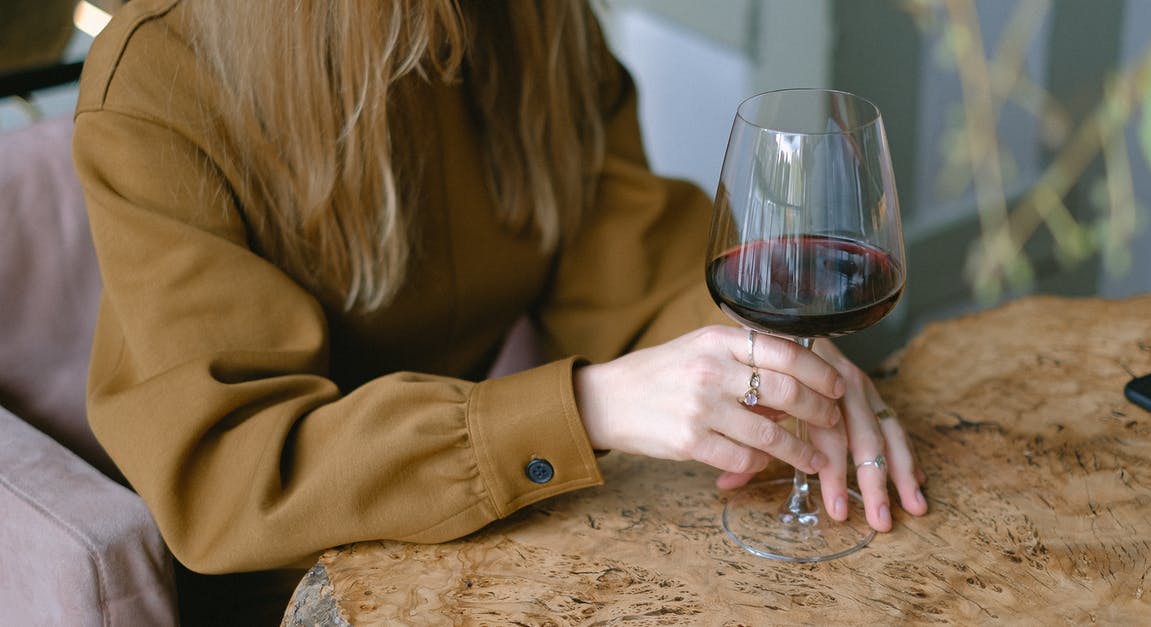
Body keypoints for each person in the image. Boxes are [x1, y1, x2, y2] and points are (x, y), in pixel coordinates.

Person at [74, 0, 928, 621]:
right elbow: (233, 471)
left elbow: (625, 257)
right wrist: (584, 404)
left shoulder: (532, 21)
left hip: (484, 531)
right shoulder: (156, 80)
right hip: (292, 579)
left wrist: (761, 367)